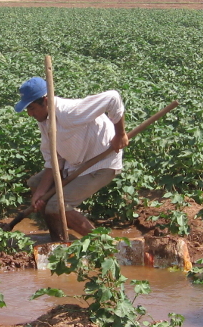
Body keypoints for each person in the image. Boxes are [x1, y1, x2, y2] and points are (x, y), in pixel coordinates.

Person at [14, 76, 129, 241]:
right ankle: (59, 239)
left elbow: (113, 97)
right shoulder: (44, 120)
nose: (30, 113)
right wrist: (39, 193)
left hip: (101, 163)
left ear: (45, 101)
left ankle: (104, 246)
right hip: (74, 162)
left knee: (57, 206)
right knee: (35, 184)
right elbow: (52, 160)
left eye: (32, 108)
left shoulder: (69, 112)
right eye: (27, 109)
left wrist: (120, 134)